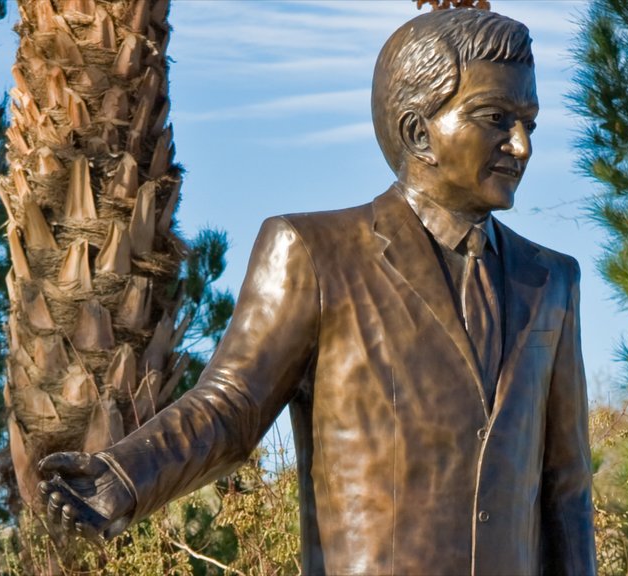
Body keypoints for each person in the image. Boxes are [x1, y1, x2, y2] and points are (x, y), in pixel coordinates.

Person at [39, 8, 596, 575]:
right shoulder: (316, 253)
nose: (521, 145)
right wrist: (125, 475)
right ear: (417, 131)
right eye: (497, 118)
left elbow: (567, 490)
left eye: (529, 122)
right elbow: (230, 408)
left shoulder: (552, 281)